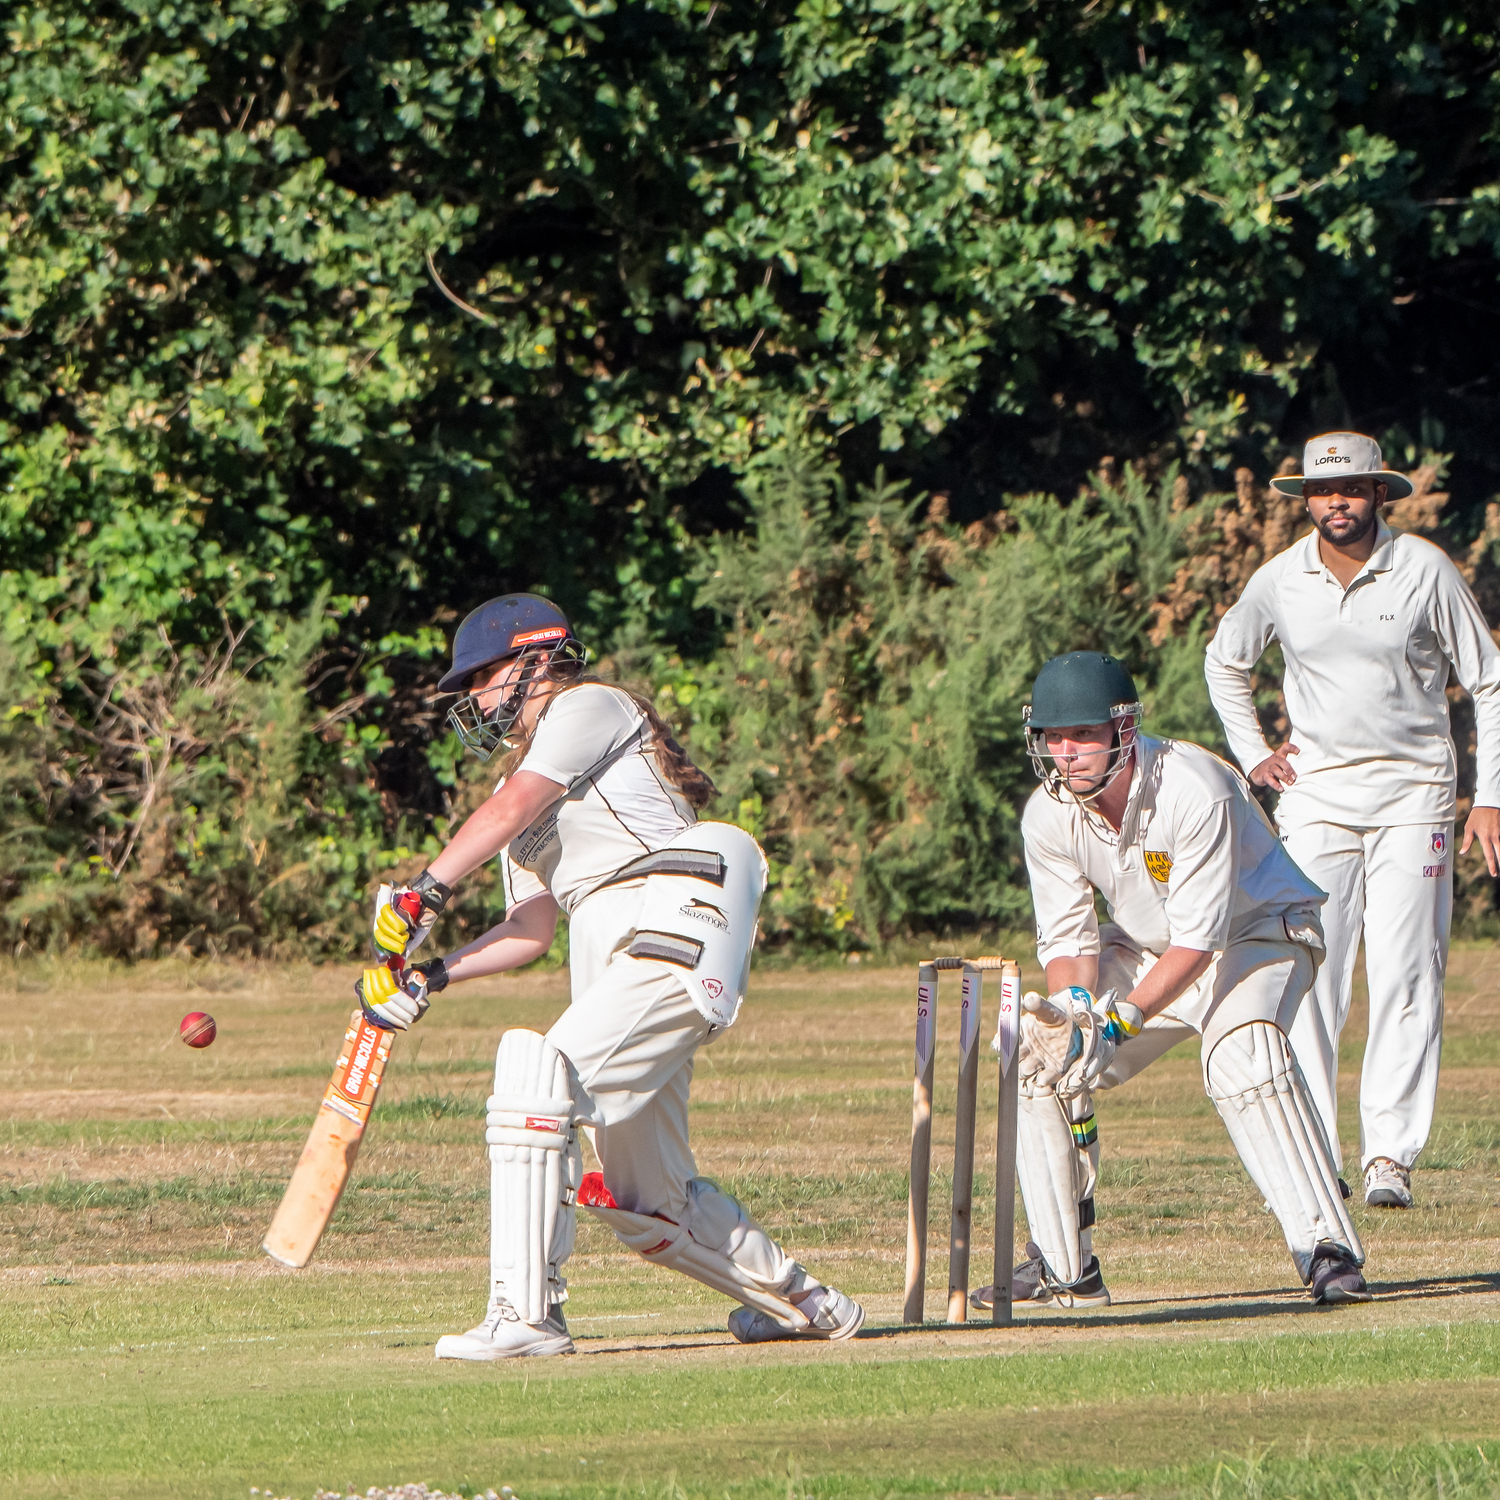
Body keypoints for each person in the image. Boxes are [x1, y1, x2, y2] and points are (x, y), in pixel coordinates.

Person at [356, 592, 865, 1357]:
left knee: (535, 1077)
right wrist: (430, 975)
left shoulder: (588, 705)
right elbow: (529, 930)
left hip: (675, 905)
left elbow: (515, 807)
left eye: (482, 678)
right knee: (641, 1201)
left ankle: (526, 1318)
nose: (475, 700)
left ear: (534, 660)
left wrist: (424, 891)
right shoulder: (510, 795)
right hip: (608, 948)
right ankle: (806, 1304)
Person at [972, 650, 1368, 1312]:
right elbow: (1070, 943)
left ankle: (1327, 1249)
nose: (1065, 754)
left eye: (1083, 735)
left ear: (1123, 729)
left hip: (1260, 933)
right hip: (1150, 947)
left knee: (1242, 1051)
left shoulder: (1194, 787)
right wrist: (1077, 1017)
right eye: (1053, 737)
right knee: (1039, 1054)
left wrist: (1118, 1021)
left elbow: (1200, 942)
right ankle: (1065, 1265)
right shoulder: (1048, 814)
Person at [1205, 432, 1500, 1210]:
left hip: (1415, 794)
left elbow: (1490, 679)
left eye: (1352, 489)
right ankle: (1312, 1154)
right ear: (1306, 500)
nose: (1337, 502)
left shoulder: (1424, 569)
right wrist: (1253, 755)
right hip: (1317, 799)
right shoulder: (1280, 580)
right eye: (1323, 491)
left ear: (1378, 493)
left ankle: (1389, 1156)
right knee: (1310, 972)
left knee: (1409, 969)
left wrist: (1491, 796)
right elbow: (1224, 661)